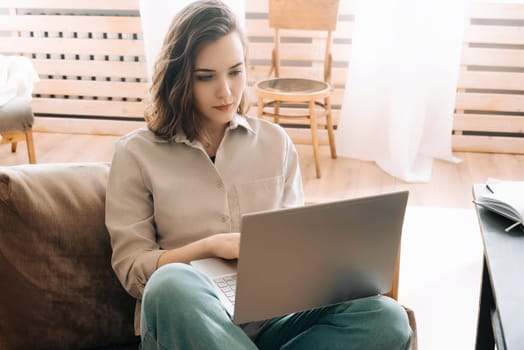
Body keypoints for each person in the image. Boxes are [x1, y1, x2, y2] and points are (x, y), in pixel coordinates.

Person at [105, 1, 413, 349]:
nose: (226, 91)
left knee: (386, 316)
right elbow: (133, 271)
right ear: (178, 78)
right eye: (206, 77)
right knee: (169, 283)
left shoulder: (275, 143)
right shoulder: (135, 154)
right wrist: (208, 247)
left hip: (272, 321)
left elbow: (295, 250)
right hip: (189, 321)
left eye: (235, 72)